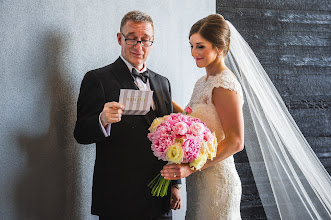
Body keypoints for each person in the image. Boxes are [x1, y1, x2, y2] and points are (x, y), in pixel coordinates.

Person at [163, 14, 331, 220]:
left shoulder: (224, 85)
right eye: (191, 46)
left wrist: (189, 168)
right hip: (199, 180)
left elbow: (236, 141)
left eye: (200, 46)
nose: (193, 53)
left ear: (219, 47)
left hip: (217, 181)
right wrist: (162, 97)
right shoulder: (203, 82)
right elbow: (192, 122)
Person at [74, 10, 181, 220]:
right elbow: (80, 133)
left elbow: (173, 139)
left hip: (159, 196)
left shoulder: (163, 82)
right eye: (131, 38)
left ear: (152, 42)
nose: (138, 47)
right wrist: (102, 120)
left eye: (145, 40)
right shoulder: (97, 79)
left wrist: (175, 184)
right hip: (119, 198)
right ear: (119, 38)